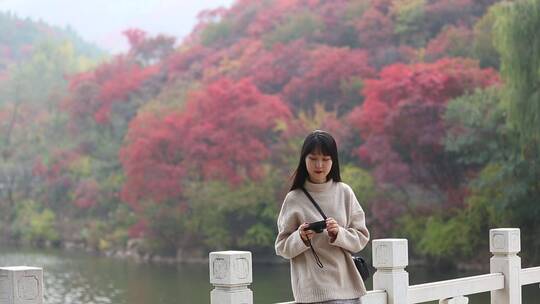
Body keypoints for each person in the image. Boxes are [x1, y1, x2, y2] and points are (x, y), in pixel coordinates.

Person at [275, 130, 370, 304]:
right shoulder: (294, 198)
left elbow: (362, 237)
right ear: (304, 160)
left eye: (326, 159)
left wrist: (338, 233)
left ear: (333, 161)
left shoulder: (344, 192)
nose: (319, 165)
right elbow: (281, 247)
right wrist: (300, 238)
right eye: (313, 158)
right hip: (312, 292)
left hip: (347, 290)